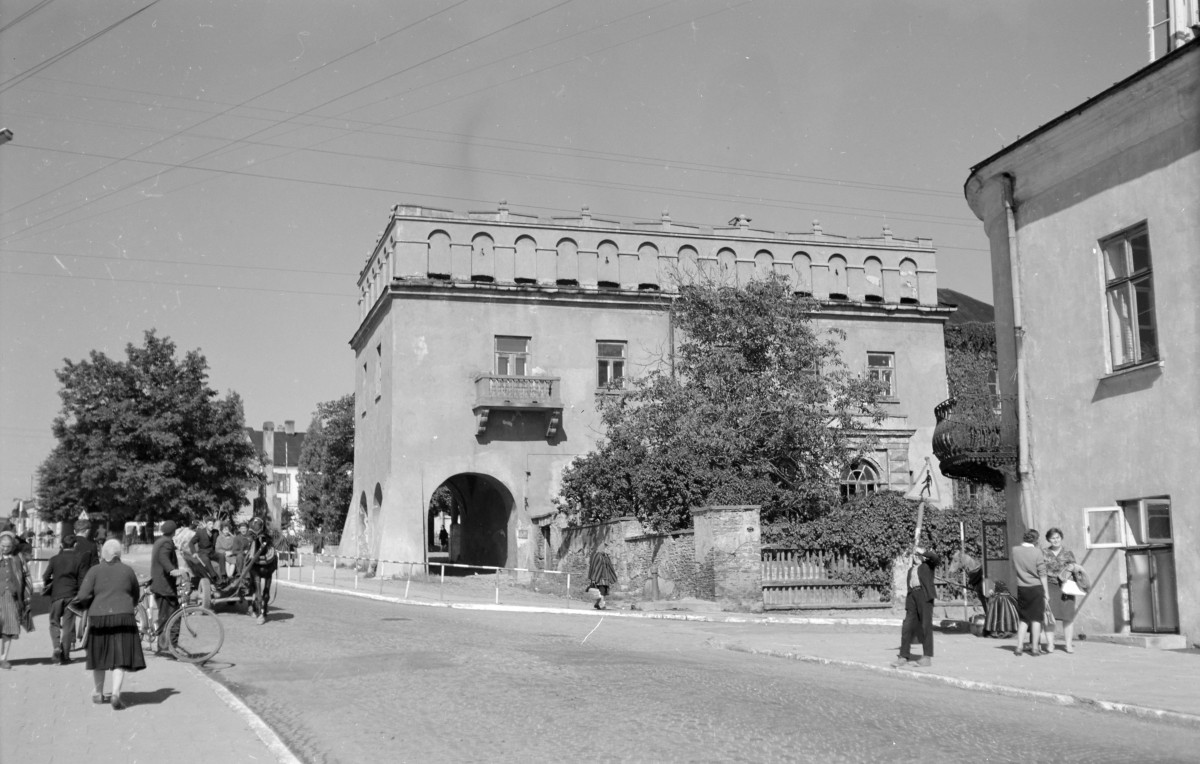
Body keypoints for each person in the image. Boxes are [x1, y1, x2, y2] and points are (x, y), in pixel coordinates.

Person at [71, 539, 146, 710]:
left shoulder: (95, 570)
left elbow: (82, 595)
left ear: (103, 554)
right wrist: (129, 604)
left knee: (99, 655)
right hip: (124, 616)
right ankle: (115, 694)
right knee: (120, 657)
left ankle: (98, 692)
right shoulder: (128, 571)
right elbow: (135, 593)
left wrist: (89, 603)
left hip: (99, 617)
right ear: (119, 554)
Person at [42, 534, 88, 664]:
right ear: (75, 545)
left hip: (56, 595)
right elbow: (82, 580)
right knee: (68, 625)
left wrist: (52, 582)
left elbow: (45, 576)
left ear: (61, 545)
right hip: (72, 596)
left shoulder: (54, 559)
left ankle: (56, 646)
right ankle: (66, 655)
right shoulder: (80, 559)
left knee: (54, 622)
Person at [891, 546, 939, 668]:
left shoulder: (928, 566)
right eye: (915, 555)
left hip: (924, 596)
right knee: (907, 626)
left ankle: (927, 657)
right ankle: (903, 656)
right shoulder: (910, 570)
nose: (916, 557)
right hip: (912, 596)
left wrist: (923, 553)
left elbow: (935, 558)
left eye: (918, 555)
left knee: (925, 626)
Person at [1011, 528, 1050, 657]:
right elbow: (1042, 573)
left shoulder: (1015, 550)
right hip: (1036, 588)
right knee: (1036, 619)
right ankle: (1034, 649)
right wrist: (1046, 592)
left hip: (1022, 587)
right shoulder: (1037, 552)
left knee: (1023, 619)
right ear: (1036, 540)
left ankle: (1019, 647)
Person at [1043, 527, 1081, 654]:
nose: (1055, 540)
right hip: (1050, 586)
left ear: (1061, 538)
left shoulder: (1068, 553)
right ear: (1048, 539)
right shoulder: (1043, 552)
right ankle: (1050, 644)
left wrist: (1070, 575)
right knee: (1049, 616)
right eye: (1052, 538)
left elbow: (1075, 569)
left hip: (1066, 587)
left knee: (1068, 616)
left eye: (1057, 537)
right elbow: (1040, 571)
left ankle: (1068, 645)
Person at [150, 521, 185, 653]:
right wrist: (172, 570)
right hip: (164, 586)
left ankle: (166, 646)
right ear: (174, 531)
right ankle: (166, 647)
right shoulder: (166, 543)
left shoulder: (160, 540)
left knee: (167, 616)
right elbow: (163, 558)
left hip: (161, 584)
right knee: (170, 617)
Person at [0, 531, 33, 670]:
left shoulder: (18, 558)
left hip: (11, 597)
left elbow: (26, 575)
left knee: (9, 628)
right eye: (2, 546)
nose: (5, 549)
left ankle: (3, 658)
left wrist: (27, 595)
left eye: (7, 546)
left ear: (12, 546)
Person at [245, 517, 278, 624]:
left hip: (267, 561)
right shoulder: (250, 539)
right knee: (257, 589)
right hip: (255, 567)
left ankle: (264, 606)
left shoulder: (267, 538)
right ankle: (258, 612)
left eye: (257, 526)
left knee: (266, 591)